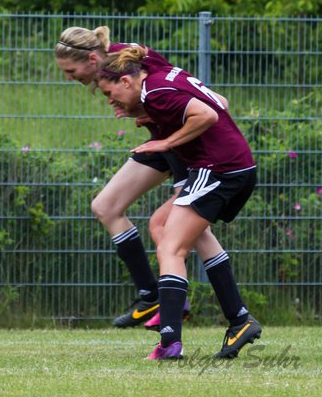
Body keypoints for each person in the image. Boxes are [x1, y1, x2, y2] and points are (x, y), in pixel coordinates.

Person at [54, 27, 241, 331]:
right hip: (159, 142)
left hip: (179, 146)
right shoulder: (113, 69)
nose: (68, 77)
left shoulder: (135, 59)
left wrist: (153, 121)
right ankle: (151, 295)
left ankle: (232, 315)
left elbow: (205, 101)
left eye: (71, 71)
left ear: (92, 58)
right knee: (106, 206)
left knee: (186, 232)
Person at [98, 47, 261, 360]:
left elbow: (209, 114)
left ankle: (170, 343)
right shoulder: (155, 71)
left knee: (170, 248)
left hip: (218, 168)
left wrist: (165, 141)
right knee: (162, 225)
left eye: (110, 92)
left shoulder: (156, 93)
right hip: (231, 166)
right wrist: (154, 119)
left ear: (126, 81)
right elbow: (220, 102)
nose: (109, 101)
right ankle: (240, 320)